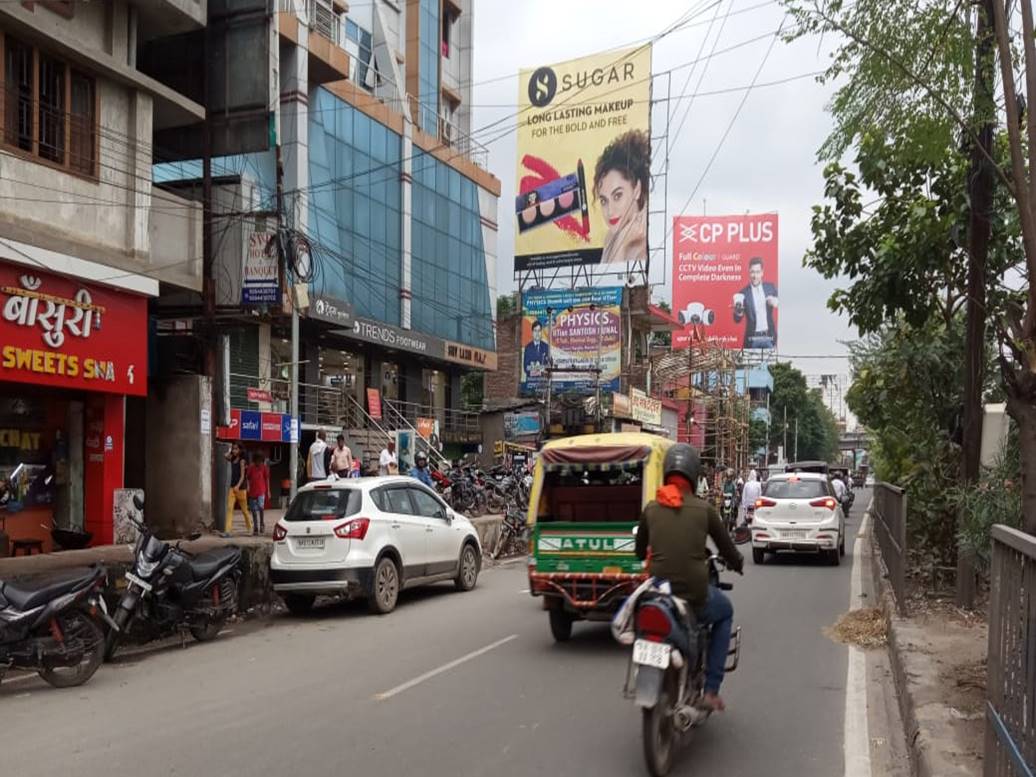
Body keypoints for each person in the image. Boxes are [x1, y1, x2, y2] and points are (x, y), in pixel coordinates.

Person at [635, 443, 744, 712]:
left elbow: (640, 550)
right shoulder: (704, 509)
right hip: (694, 592)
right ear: (694, 476)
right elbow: (727, 548)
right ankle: (711, 689)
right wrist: (737, 562)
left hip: (659, 590)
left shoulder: (651, 509)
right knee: (725, 611)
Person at [594, 129, 650, 264]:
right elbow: (603, 284)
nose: (610, 211)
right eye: (603, 200)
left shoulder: (648, 244)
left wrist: (622, 244)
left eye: (617, 196)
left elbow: (612, 281)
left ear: (637, 189)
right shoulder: (611, 237)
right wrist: (621, 241)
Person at [732, 257, 779, 349]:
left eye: (757, 272)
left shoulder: (770, 287)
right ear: (749, 272)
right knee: (750, 364)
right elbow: (737, 319)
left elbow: (780, 301)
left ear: (762, 273)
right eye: (752, 272)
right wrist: (738, 312)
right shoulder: (743, 293)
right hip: (752, 339)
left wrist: (775, 301)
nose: (755, 276)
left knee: (771, 364)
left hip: (769, 337)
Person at [224, 443, 253, 535]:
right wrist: (230, 451)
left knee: (244, 510)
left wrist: (238, 486)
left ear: (240, 450)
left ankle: (250, 528)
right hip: (232, 488)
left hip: (240, 489)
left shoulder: (242, 461)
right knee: (229, 508)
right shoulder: (233, 458)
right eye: (233, 449)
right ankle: (228, 531)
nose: (234, 450)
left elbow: (242, 476)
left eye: (236, 449)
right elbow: (225, 456)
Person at [245, 451, 271, 536]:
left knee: (261, 507)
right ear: (254, 460)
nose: (258, 462)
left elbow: (267, 479)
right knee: (253, 510)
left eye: (260, 461)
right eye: (257, 460)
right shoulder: (251, 468)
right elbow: (247, 478)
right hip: (252, 492)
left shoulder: (264, 467)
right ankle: (255, 527)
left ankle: (262, 524)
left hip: (261, 491)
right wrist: (248, 486)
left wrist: (268, 491)